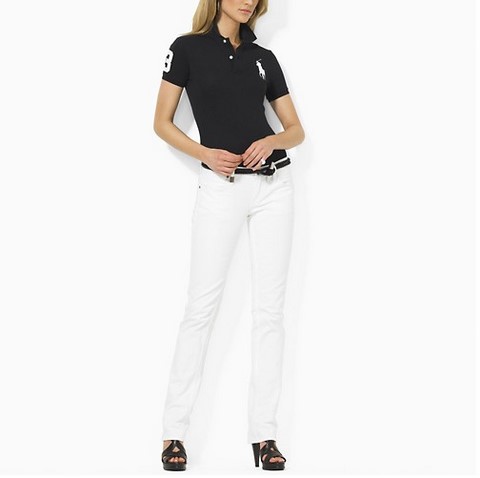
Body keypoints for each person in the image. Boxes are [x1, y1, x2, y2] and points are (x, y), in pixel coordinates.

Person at [153, 0, 304, 471]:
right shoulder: (187, 50)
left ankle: (264, 436)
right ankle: (174, 433)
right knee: (200, 309)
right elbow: (161, 122)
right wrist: (205, 153)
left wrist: (271, 140)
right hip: (221, 187)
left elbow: (296, 130)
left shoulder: (264, 58)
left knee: (270, 313)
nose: (248, 1)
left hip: (274, 188)